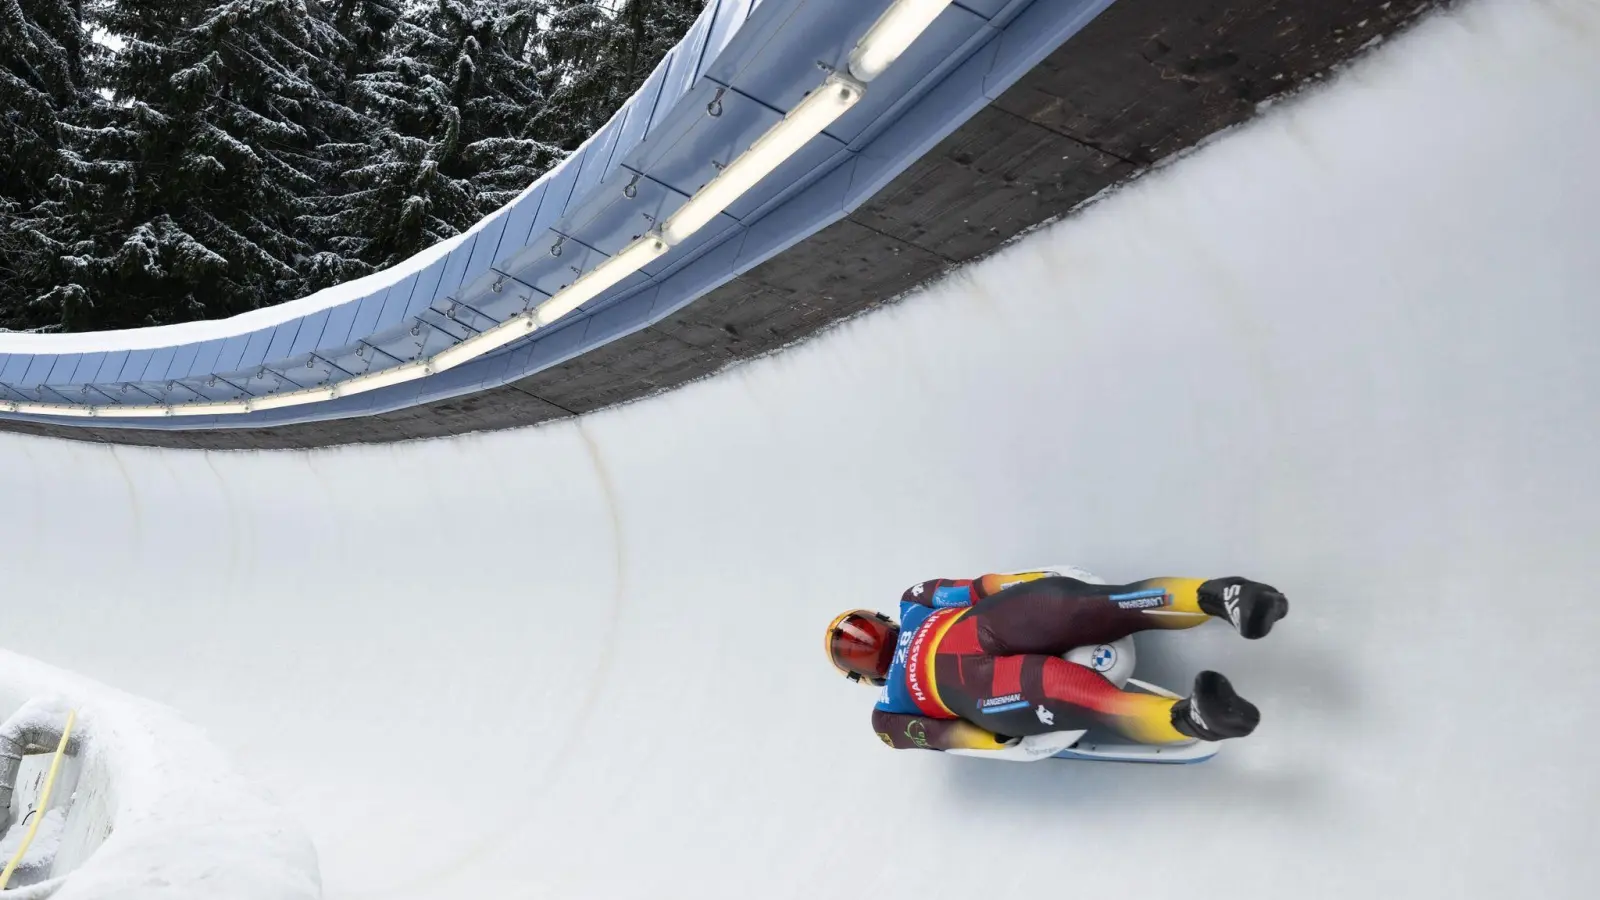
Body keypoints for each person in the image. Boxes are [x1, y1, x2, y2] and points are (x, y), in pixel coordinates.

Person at [825, 571, 1288, 752]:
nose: (869, 645)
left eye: (864, 632)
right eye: (857, 651)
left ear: (881, 618)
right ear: (861, 677)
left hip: (992, 623)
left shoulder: (915, 601)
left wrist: (1037, 582)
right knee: (1070, 690)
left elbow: (982, 588)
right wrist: (994, 740)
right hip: (979, 685)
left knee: (1091, 606)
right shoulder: (886, 715)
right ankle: (1193, 718)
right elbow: (941, 734)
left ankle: (1221, 596)